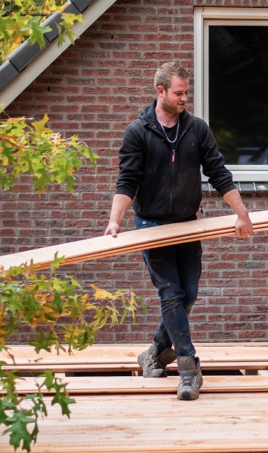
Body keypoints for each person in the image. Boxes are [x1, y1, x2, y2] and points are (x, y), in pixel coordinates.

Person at [104, 61, 253, 401]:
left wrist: (241, 212)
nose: (185, 98)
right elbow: (128, 180)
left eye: (187, 92)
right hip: (151, 224)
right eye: (179, 93)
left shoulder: (197, 129)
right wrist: (115, 220)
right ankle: (189, 369)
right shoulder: (138, 131)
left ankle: (155, 351)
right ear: (160, 92)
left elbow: (218, 171)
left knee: (188, 294)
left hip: (188, 223)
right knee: (170, 294)